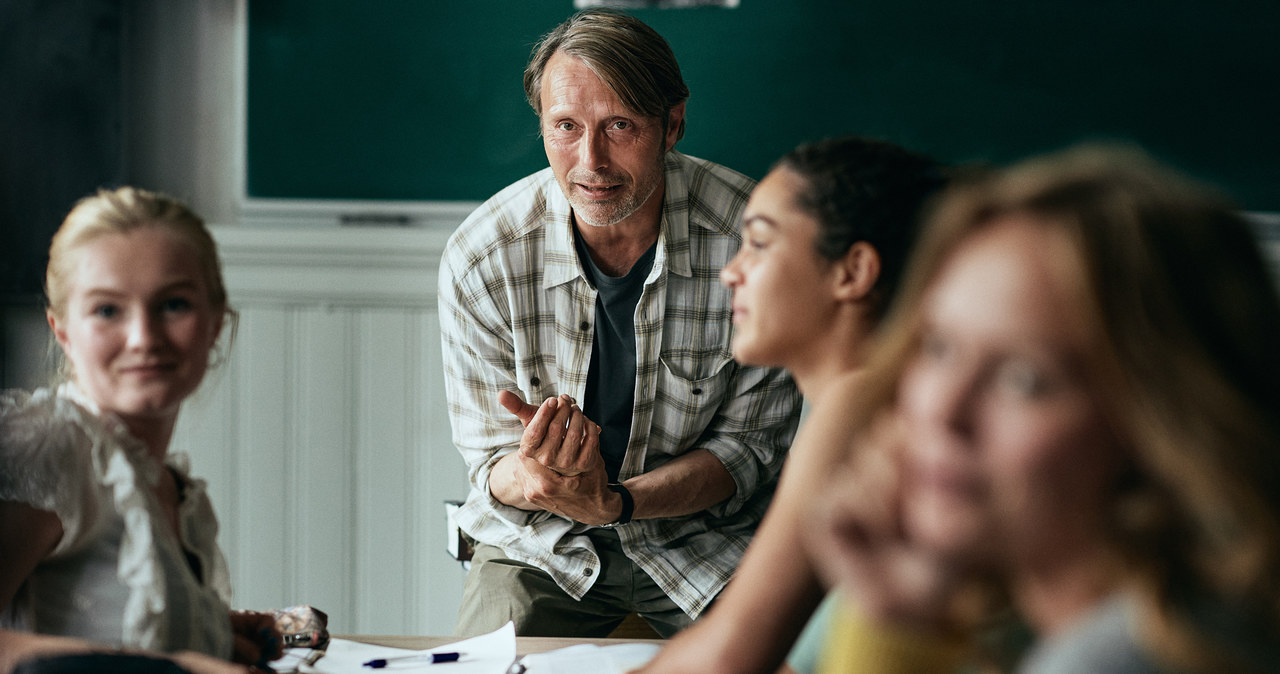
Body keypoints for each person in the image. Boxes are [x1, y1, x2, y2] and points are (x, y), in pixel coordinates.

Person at [806, 145, 1280, 672]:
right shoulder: (1171, 617)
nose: (943, 410)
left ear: (1167, 421)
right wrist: (897, 618)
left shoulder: (1119, 657)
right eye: (938, 347)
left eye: (1024, 380)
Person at [438, 8, 802, 638]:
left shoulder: (755, 244)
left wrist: (617, 503)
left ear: (673, 124)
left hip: (708, 540)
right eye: (565, 127)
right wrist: (537, 477)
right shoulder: (482, 258)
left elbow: (747, 451)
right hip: (539, 545)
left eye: (620, 126)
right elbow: (488, 460)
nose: (591, 161)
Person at [640, 137, 945, 673]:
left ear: (851, 272)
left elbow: (728, 657)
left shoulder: (856, 403)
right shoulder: (852, 400)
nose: (730, 272)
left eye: (758, 244)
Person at [0, 187, 280, 674]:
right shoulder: (46, 448)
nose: (144, 338)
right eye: (108, 310)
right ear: (63, 330)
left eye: (173, 305)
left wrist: (212, 631)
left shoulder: (171, 488)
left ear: (215, 322)